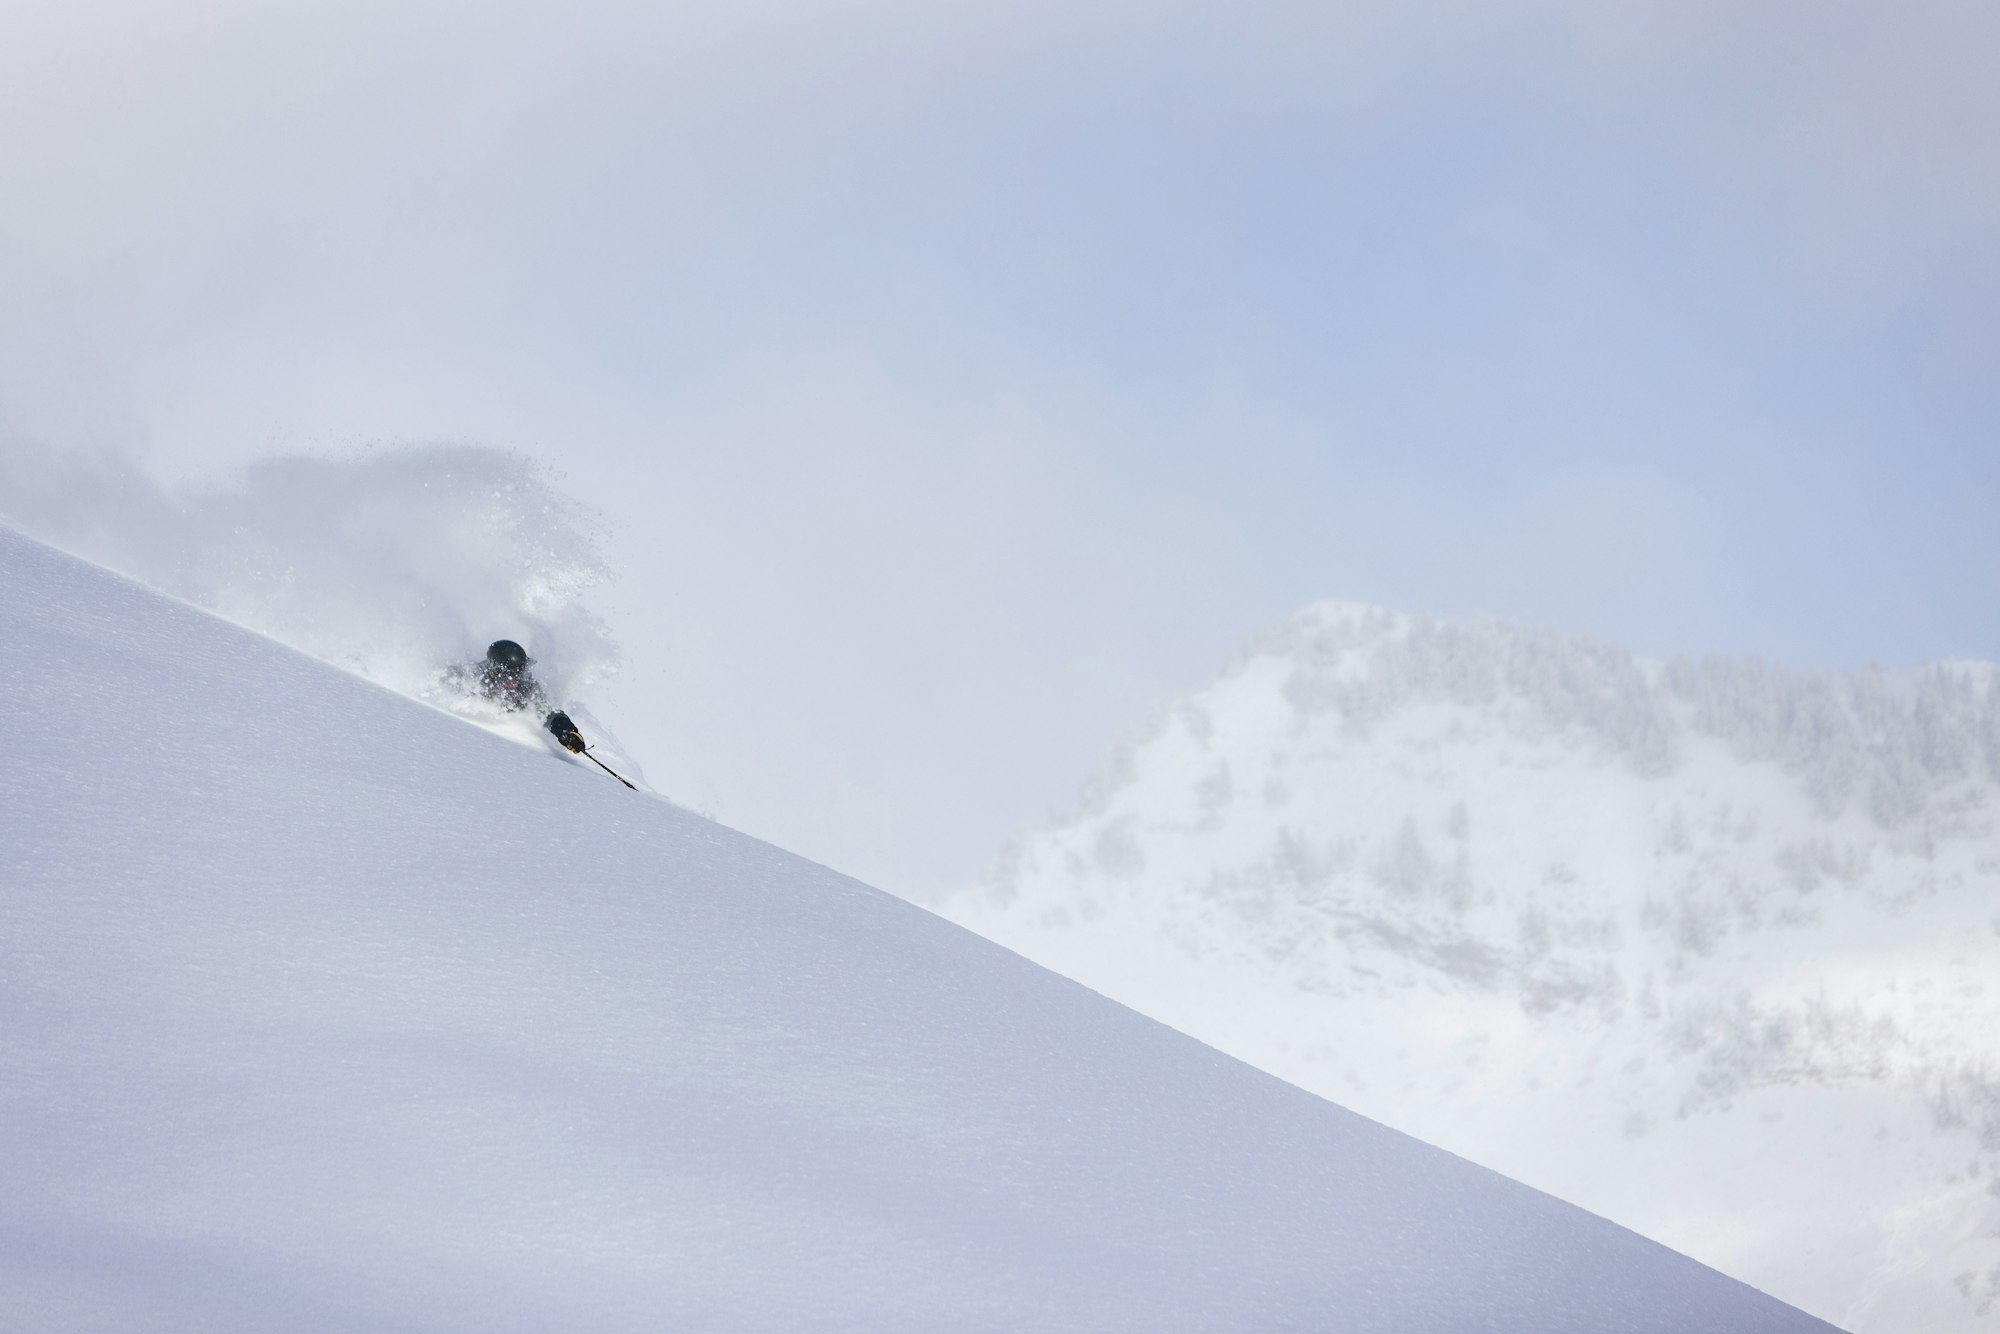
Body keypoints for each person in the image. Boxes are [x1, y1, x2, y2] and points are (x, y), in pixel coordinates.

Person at [454, 639, 589, 753]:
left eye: (519, 674)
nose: (515, 681)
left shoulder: (526, 687)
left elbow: (547, 711)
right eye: (509, 676)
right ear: (494, 673)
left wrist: (565, 731)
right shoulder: (471, 680)